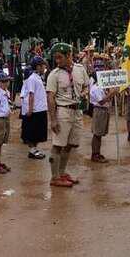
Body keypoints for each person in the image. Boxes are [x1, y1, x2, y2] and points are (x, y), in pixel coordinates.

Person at [46, 43, 90, 188]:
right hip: (63, 111)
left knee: (71, 144)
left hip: (77, 111)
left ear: (69, 55)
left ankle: (62, 172)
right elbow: (50, 97)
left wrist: (84, 93)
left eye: (60, 57)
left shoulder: (80, 69)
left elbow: (86, 85)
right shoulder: (54, 74)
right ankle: (54, 177)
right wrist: (53, 120)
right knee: (58, 145)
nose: (57, 61)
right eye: (56, 58)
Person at [20, 56, 48, 160]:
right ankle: (32, 150)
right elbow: (31, 95)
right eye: (43, 65)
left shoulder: (38, 77)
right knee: (33, 132)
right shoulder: (32, 79)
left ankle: (35, 149)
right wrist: (30, 109)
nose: (44, 67)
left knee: (38, 132)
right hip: (35, 110)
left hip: (41, 108)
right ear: (38, 66)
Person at [89, 73, 117, 163]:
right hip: (99, 110)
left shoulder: (102, 86)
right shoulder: (96, 87)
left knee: (100, 133)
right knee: (97, 133)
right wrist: (111, 93)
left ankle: (97, 152)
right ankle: (95, 154)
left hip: (104, 110)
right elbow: (101, 101)